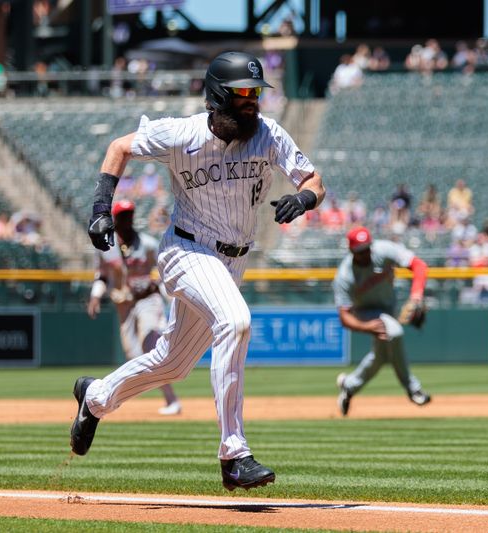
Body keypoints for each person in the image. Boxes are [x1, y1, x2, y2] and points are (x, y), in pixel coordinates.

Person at [71, 51, 326, 493]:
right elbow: (119, 148)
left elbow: (313, 180)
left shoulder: (268, 134)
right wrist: (100, 209)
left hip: (233, 260)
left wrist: (303, 199)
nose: (253, 102)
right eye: (243, 94)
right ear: (216, 96)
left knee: (172, 364)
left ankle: (94, 399)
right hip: (185, 249)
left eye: (256, 94)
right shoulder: (181, 132)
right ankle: (234, 454)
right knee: (236, 320)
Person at [87, 200, 182, 416]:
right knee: (134, 354)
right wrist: (95, 297)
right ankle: (123, 396)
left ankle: (172, 401)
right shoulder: (106, 248)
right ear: (114, 219)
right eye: (122, 215)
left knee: (150, 344)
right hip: (125, 304)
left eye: (129, 214)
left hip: (148, 299)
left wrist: (170, 298)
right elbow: (101, 275)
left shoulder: (147, 244)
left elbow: (164, 272)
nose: (127, 219)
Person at [334, 226, 431, 416]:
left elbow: (419, 265)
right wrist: (365, 326)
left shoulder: (383, 249)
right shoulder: (344, 275)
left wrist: (417, 296)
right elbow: (344, 316)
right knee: (394, 332)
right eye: (360, 251)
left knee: (380, 357)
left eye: (367, 248)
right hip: (363, 313)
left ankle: (349, 386)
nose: (366, 253)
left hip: (388, 309)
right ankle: (413, 388)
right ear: (352, 251)